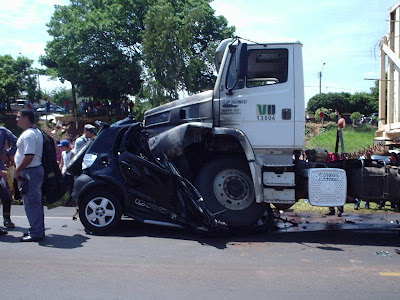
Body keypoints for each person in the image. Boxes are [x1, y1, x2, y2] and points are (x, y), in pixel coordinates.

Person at [14, 108, 45, 242]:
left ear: (26, 118)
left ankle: (36, 232)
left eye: (18, 117)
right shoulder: (35, 132)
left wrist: (17, 170)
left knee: (31, 203)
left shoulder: (28, 135)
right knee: (33, 202)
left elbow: (29, 156)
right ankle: (36, 229)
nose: (16, 119)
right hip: (32, 171)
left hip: (30, 172)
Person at [0, 126, 17, 230]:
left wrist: (9, 153)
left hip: (1, 165)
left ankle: (7, 218)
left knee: (6, 195)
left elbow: (16, 142)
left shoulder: (2, 131)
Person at [58, 139, 74, 205]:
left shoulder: (71, 153)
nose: (61, 148)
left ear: (66, 146)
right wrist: (60, 170)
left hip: (69, 173)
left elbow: (70, 164)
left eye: (62, 147)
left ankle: (69, 201)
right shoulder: (63, 153)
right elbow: (62, 162)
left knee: (69, 187)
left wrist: (65, 171)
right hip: (63, 172)